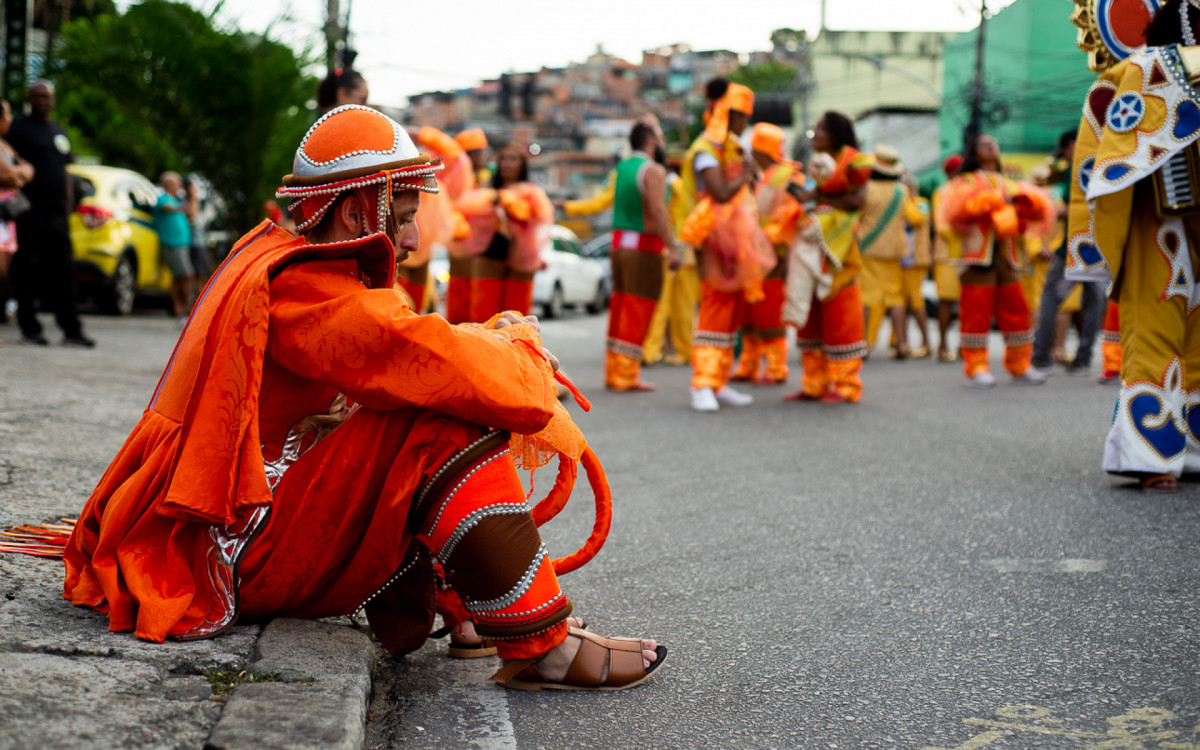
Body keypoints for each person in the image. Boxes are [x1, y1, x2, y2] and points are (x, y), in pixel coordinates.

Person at [60, 105, 664, 690]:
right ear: (355, 212)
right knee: (441, 421)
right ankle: (542, 647)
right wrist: (517, 351)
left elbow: (410, 347)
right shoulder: (307, 292)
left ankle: (472, 611)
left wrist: (492, 344)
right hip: (237, 553)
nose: (413, 238)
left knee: (429, 400)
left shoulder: (298, 269)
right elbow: (430, 357)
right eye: (404, 216)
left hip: (238, 529)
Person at [1064, 0, 1200, 492]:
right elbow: (1102, 153)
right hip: (1155, 222)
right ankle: (1149, 452)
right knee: (1155, 331)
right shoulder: (1139, 69)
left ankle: (1191, 446)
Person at [677, 81, 772, 412]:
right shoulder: (705, 149)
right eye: (742, 116)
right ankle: (702, 384)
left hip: (734, 241)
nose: (745, 123)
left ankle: (718, 381)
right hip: (712, 241)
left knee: (730, 313)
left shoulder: (729, 147)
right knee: (714, 310)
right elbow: (718, 193)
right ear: (727, 114)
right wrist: (745, 174)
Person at [938, 133, 1050, 387]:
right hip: (977, 256)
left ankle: (1020, 365)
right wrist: (1000, 200)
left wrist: (1028, 205)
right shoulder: (966, 181)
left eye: (994, 143)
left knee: (1017, 309)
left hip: (1007, 255)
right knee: (976, 312)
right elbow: (960, 209)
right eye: (984, 143)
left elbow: (1034, 212)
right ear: (974, 152)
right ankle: (976, 366)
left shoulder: (1009, 183)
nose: (991, 146)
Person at [782, 111, 872, 403]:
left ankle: (845, 385)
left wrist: (816, 197)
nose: (815, 134)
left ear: (837, 134)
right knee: (811, 318)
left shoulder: (854, 162)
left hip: (839, 253)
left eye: (821, 129)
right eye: (815, 129)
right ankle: (814, 383)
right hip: (811, 248)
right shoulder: (816, 165)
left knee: (841, 315)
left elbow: (857, 200)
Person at [6, 81, 93, 347]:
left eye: (46, 96)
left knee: (64, 269)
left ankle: (72, 330)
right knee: (27, 270)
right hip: (28, 211)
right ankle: (30, 328)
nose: (42, 101)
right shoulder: (17, 128)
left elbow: (64, 171)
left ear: (53, 100)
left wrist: (69, 202)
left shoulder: (58, 132)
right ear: (28, 99)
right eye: (37, 96)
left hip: (57, 212)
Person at [604, 121, 680, 391]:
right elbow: (659, 211)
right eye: (659, 137)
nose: (662, 143)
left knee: (621, 307)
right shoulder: (653, 170)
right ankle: (626, 373)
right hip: (643, 247)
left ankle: (615, 369)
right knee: (639, 308)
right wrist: (673, 248)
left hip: (619, 246)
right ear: (650, 141)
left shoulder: (622, 168)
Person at [1032, 130, 1105, 377]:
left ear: (1072, 144)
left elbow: (1072, 204)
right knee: (1094, 301)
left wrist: (1061, 212)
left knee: (1051, 297)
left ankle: (1041, 355)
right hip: (1101, 245)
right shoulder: (1107, 158)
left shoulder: (1077, 165)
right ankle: (1083, 358)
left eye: (1064, 151)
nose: (1064, 156)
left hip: (1073, 246)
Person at [732, 122, 799, 384]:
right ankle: (749, 364)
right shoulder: (764, 176)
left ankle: (775, 367)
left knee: (769, 312)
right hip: (753, 256)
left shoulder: (786, 176)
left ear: (763, 151)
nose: (750, 155)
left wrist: (766, 240)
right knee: (750, 314)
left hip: (772, 256)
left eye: (754, 150)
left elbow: (790, 217)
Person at [857, 144, 911, 359]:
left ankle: (863, 344)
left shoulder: (866, 188)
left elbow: (858, 217)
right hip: (894, 250)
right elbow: (907, 216)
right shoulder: (902, 190)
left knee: (866, 297)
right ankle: (902, 345)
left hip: (868, 248)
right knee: (894, 297)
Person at [0, 100, 35, 324]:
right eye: (7, 114)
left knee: (3, 272)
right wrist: (17, 175)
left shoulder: (5, 146)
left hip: (7, 217)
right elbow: (9, 176)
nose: (10, 119)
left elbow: (28, 170)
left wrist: (16, 174)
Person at [931, 155, 964, 362]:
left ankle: (959, 345)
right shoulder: (943, 192)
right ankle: (944, 345)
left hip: (962, 253)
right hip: (949, 254)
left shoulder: (965, 190)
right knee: (947, 301)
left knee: (957, 301)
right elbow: (941, 225)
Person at [155, 171, 197, 320]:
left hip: (181, 245)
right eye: (177, 183)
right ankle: (184, 307)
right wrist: (184, 205)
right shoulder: (163, 199)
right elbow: (168, 207)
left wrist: (192, 196)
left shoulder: (177, 200)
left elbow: (192, 212)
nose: (179, 186)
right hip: (172, 244)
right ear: (169, 184)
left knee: (178, 277)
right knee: (186, 274)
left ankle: (178, 308)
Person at [900, 174, 933, 358]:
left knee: (916, 301)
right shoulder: (901, 205)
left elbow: (917, 218)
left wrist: (904, 200)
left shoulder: (922, 204)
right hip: (901, 259)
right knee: (901, 303)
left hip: (916, 260)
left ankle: (926, 342)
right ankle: (902, 342)